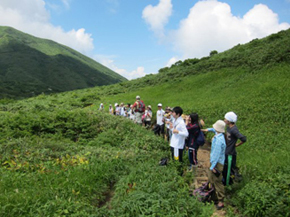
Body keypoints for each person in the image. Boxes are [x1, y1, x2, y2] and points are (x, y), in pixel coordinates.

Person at [206, 120, 226, 210]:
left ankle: (221, 201)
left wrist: (212, 166)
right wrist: (206, 130)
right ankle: (214, 197)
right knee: (212, 179)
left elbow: (216, 154)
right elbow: (213, 130)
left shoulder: (219, 140)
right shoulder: (220, 135)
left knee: (217, 181)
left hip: (217, 163)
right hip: (216, 162)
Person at [223, 111, 247, 185]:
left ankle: (228, 184)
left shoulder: (234, 130)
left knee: (228, 170)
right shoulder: (228, 128)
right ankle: (226, 181)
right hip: (226, 151)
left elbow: (243, 139)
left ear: (229, 121)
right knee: (225, 168)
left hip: (230, 153)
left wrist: (237, 144)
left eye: (225, 119)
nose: (224, 120)